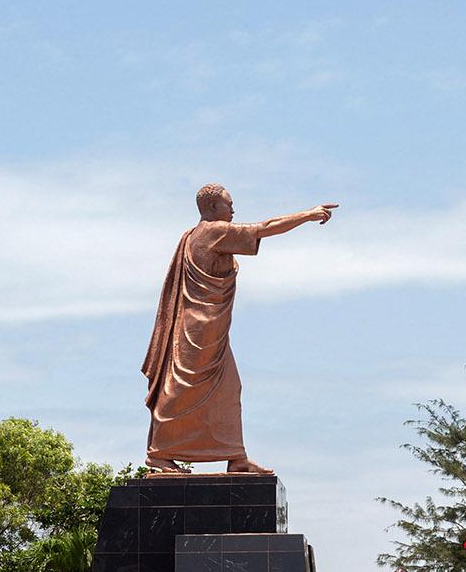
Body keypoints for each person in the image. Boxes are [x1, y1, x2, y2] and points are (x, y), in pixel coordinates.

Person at [142, 183, 337, 474]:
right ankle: (159, 454)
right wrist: (307, 215)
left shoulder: (193, 235)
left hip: (211, 329)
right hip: (198, 330)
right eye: (228, 204)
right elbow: (264, 227)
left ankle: (236, 457)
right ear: (211, 208)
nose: (233, 210)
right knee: (182, 386)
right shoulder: (211, 231)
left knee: (228, 387)